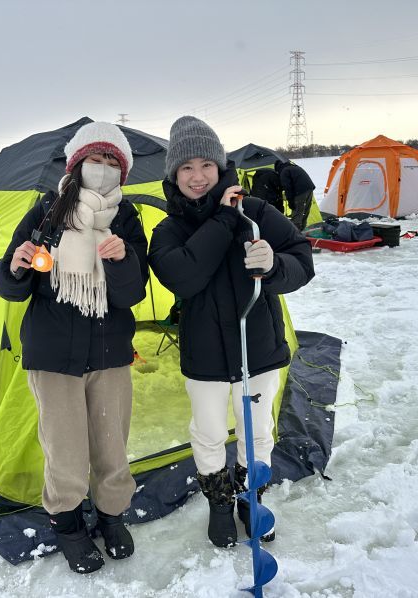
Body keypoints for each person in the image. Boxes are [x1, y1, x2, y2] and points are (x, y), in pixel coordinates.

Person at [148, 116, 315, 548]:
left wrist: (274, 267)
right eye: (186, 167)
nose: (197, 176)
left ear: (220, 166)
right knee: (207, 432)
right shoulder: (167, 231)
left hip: (256, 348)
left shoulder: (257, 212)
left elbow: (302, 258)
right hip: (204, 358)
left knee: (257, 433)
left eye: (206, 164)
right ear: (174, 175)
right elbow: (185, 278)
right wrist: (223, 219)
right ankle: (220, 503)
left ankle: (250, 499)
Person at [0, 122, 148, 574]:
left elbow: (131, 294)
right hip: (52, 352)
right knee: (65, 450)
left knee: (111, 445)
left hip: (109, 351)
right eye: (94, 160)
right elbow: (9, 285)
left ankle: (112, 517)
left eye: (111, 163)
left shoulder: (127, 218)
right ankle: (68, 526)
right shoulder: (46, 211)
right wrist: (17, 266)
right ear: (76, 164)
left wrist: (121, 260)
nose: (101, 170)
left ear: (123, 171)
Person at [274, 159, 316, 230]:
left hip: (300, 191)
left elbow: (287, 188)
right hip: (309, 188)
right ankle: (302, 229)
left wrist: (291, 202)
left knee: (297, 212)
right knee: (305, 210)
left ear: (278, 168)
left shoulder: (284, 171)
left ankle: (295, 233)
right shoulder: (294, 167)